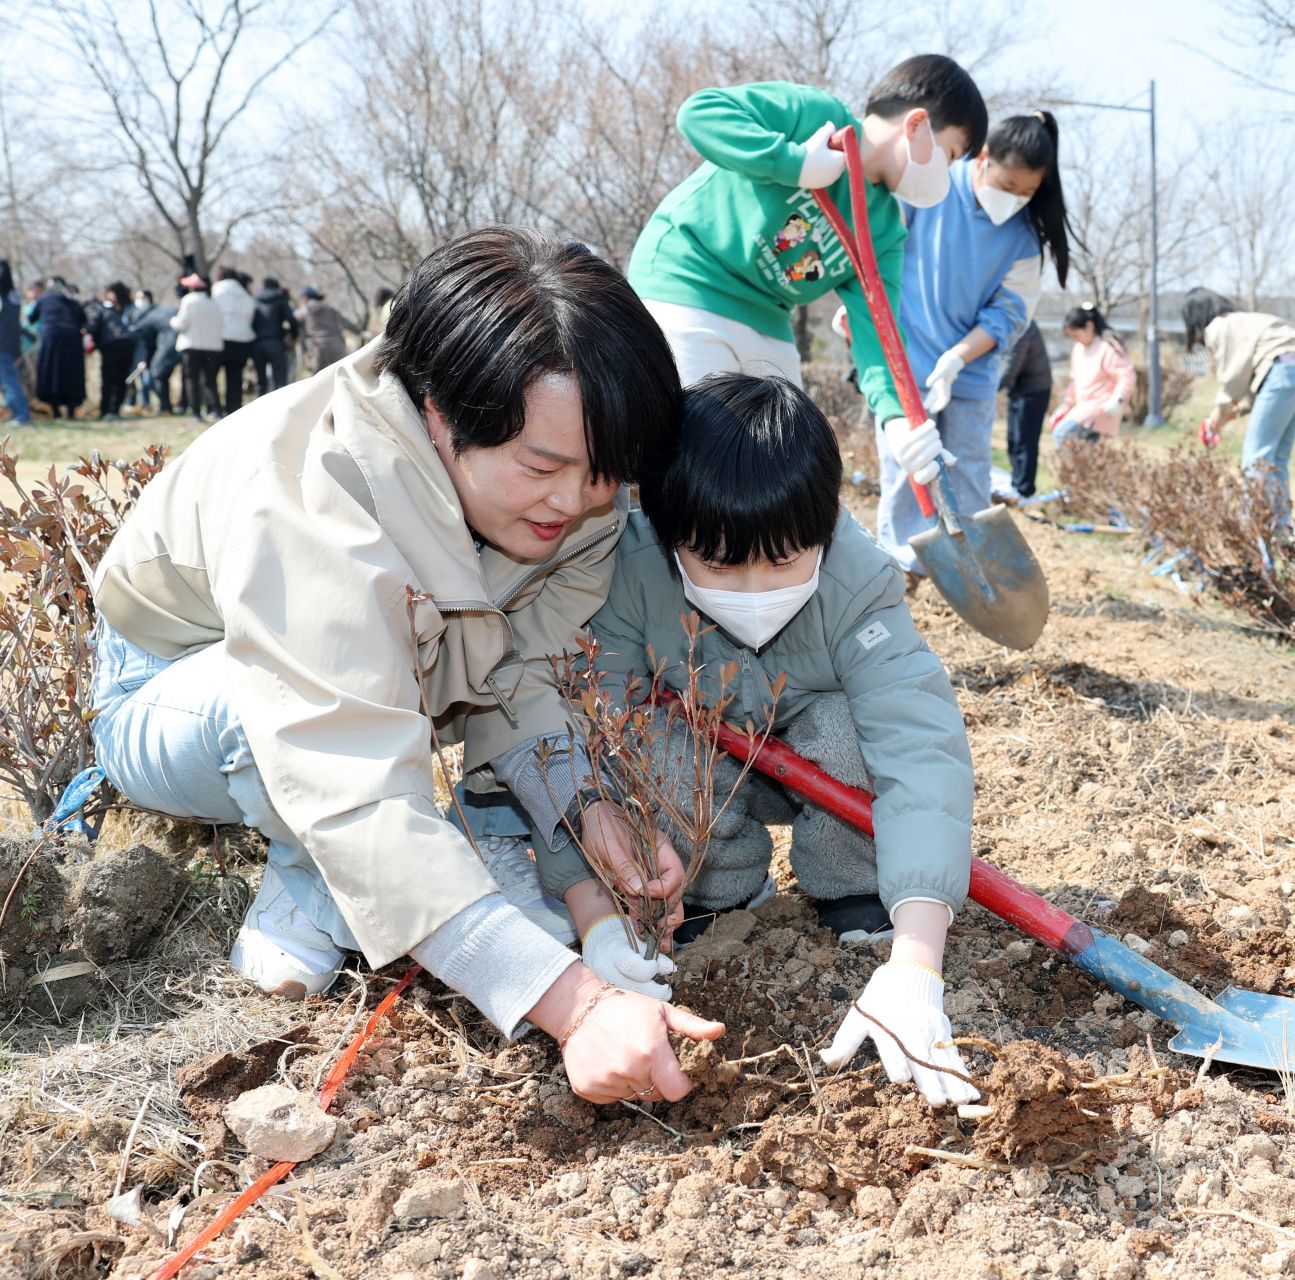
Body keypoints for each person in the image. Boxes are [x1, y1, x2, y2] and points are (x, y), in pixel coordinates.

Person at [89, 226, 714, 1105]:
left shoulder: (568, 503)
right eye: (544, 466)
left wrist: (583, 808)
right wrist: (573, 1006)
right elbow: (338, 761)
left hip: (364, 693)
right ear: (441, 411)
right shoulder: (311, 500)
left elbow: (520, 671)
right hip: (176, 690)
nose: (575, 502)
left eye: (606, 474)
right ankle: (308, 881)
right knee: (274, 713)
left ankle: (399, 882)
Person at [476, 373, 979, 1106]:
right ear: (667, 530)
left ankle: (855, 892)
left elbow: (920, 755)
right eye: (716, 565)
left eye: (782, 562)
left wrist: (917, 963)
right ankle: (718, 893)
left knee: (850, 733)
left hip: (810, 754)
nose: (751, 592)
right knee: (640, 743)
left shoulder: (858, 582)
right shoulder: (629, 569)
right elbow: (576, 737)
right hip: (702, 752)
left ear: (827, 525)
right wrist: (597, 923)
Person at [626, 55, 987, 493]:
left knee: (784, 464)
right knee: (698, 456)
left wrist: (896, 420)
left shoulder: (886, 229)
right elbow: (699, 113)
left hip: (767, 316)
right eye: (948, 155)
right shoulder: (817, 116)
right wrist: (791, 162)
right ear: (917, 127)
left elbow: (879, 331)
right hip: (687, 280)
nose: (944, 175)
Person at [883, 109, 1071, 569]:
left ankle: (967, 569)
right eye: (1007, 187)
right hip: (905, 360)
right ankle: (904, 565)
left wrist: (958, 358)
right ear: (983, 156)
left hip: (970, 370)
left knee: (968, 470)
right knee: (908, 471)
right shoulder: (931, 187)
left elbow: (1008, 314)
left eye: (1027, 193)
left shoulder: (1024, 240)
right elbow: (882, 247)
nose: (1014, 201)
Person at [1185, 288, 1295, 536]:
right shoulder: (1247, 319)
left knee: (1255, 458)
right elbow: (1249, 389)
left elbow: (1232, 380)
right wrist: (1227, 414)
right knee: (1276, 458)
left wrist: (1217, 416)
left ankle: (1252, 531)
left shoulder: (1218, 326)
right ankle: (1281, 529)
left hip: (1281, 371)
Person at [1048, 302, 1135, 446]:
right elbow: (1074, 381)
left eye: (1076, 334)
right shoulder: (1078, 349)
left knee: (1062, 434)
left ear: (1089, 326)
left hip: (1101, 408)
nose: (1075, 339)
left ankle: (1070, 468)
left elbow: (1126, 376)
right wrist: (1066, 405)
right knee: (1085, 453)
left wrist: (1117, 400)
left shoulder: (1108, 348)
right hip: (1083, 408)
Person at [1000, 320, 1053, 499]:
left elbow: (1012, 363)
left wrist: (989, 388)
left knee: (1025, 441)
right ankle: (1017, 485)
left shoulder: (1022, 325)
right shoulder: (1015, 323)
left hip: (1034, 391)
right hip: (1019, 389)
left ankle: (1025, 490)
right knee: (1013, 439)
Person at [25, 278, 87, 419]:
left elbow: (31, 318)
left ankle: (56, 411)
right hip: (73, 339)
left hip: (51, 339)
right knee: (72, 375)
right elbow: (84, 319)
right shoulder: (72, 300)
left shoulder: (44, 299)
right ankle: (71, 411)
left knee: (51, 373)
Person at [171, 273, 224, 420]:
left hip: (192, 346)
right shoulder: (214, 303)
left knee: (191, 379)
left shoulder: (188, 301)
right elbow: (220, 325)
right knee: (210, 380)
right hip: (212, 347)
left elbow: (182, 323)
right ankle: (216, 410)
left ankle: (196, 412)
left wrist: (172, 321)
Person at [87, 282, 140, 420]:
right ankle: (108, 410)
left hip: (117, 346)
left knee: (115, 380)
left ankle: (111, 410)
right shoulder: (117, 309)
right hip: (118, 346)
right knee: (113, 380)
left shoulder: (124, 310)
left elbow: (94, 327)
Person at [211, 267, 255, 414]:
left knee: (210, 377)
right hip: (242, 340)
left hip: (219, 338)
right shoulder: (245, 294)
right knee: (235, 377)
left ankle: (215, 409)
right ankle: (234, 409)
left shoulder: (216, 291)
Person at [134, 290, 182, 416]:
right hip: (186, 342)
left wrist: (144, 360)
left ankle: (165, 407)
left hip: (169, 343)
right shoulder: (161, 311)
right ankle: (182, 405)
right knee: (188, 376)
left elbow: (147, 344)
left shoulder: (144, 320)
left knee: (158, 373)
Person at [251, 276, 300, 396]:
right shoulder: (280, 299)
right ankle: (281, 409)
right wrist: (294, 336)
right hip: (276, 342)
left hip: (256, 344)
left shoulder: (254, 300)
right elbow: (292, 320)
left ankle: (259, 408)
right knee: (280, 380)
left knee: (261, 381)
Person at [0, 260, 29, 425]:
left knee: (9, 381)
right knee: (5, 383)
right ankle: (16, 411)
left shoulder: (11, 295)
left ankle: (22, 414)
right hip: (6, 344)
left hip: (4, 346)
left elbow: (12, 323)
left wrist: (15, 347)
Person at [297, 286, 349, 373]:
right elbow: (345, 322)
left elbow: (292, 323)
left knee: (318, 380)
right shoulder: (330, 308)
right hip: (336, 345)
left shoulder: (303, 311)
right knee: (343, 375)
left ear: (306, 298)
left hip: (317, 347)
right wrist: (361, 332)